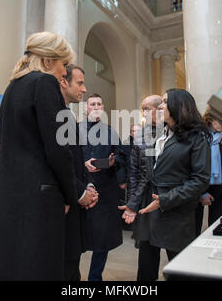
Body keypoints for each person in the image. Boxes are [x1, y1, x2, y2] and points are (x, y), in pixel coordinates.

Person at [0, 31, 78, 281]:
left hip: (10, 194)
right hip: (39, 197)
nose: (64, 72)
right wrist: (70, 193)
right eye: (63, 64)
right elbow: (57, 149)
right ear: (47, 62)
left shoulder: (12, 86)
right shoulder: (44, 83)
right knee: (36, 266)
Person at [128, 89, 210, 281]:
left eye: (165, 102)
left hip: (176, 213)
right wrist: (133, 203)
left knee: (178, 270)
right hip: (151, 210)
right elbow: (147, 175)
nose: (161, 106)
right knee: (146, 269)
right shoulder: (160, 135)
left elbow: (200, 180)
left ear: (178, 106)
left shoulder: (196, 137)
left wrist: (165, 200)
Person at [58, 64, 99, 281]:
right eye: (80, 83)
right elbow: (57, 162)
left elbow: (75, 160)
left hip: (74, 202)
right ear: (64, 82)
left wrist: (89, 185)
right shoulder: (58, 115)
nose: (84, 89)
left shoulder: (67, 115)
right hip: (63, 203)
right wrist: (80, 192)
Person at [80, 93, 127, 281]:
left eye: (99, 103)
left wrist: (113, 160)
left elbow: (122, 156)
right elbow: (67, 158)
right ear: (86, 108)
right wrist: (84, 163)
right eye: (92, 104)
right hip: (80, 188)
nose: (96, 106)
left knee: (102, 239)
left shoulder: (111, 132)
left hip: (105, 191)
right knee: (76, 237)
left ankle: (95, 277)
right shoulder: (74, 130)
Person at [118, 94, 163, 281]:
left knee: (176, 252)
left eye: (147, 108)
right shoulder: (141, 136)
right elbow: (135, 173)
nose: (143, 112)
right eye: (142, 108)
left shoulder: (174, 133)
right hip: (146, 199)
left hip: (171, 199)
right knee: (146, 252)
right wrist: (132, 203)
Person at [195, 108, 222, 236]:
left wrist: (219, 189)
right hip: (199, 185)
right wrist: (201, 193)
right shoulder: (199, 135)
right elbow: (195, 163)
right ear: (210, 119)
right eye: (219, 120)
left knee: (216, 224)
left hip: (220, 185)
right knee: (195, 224)